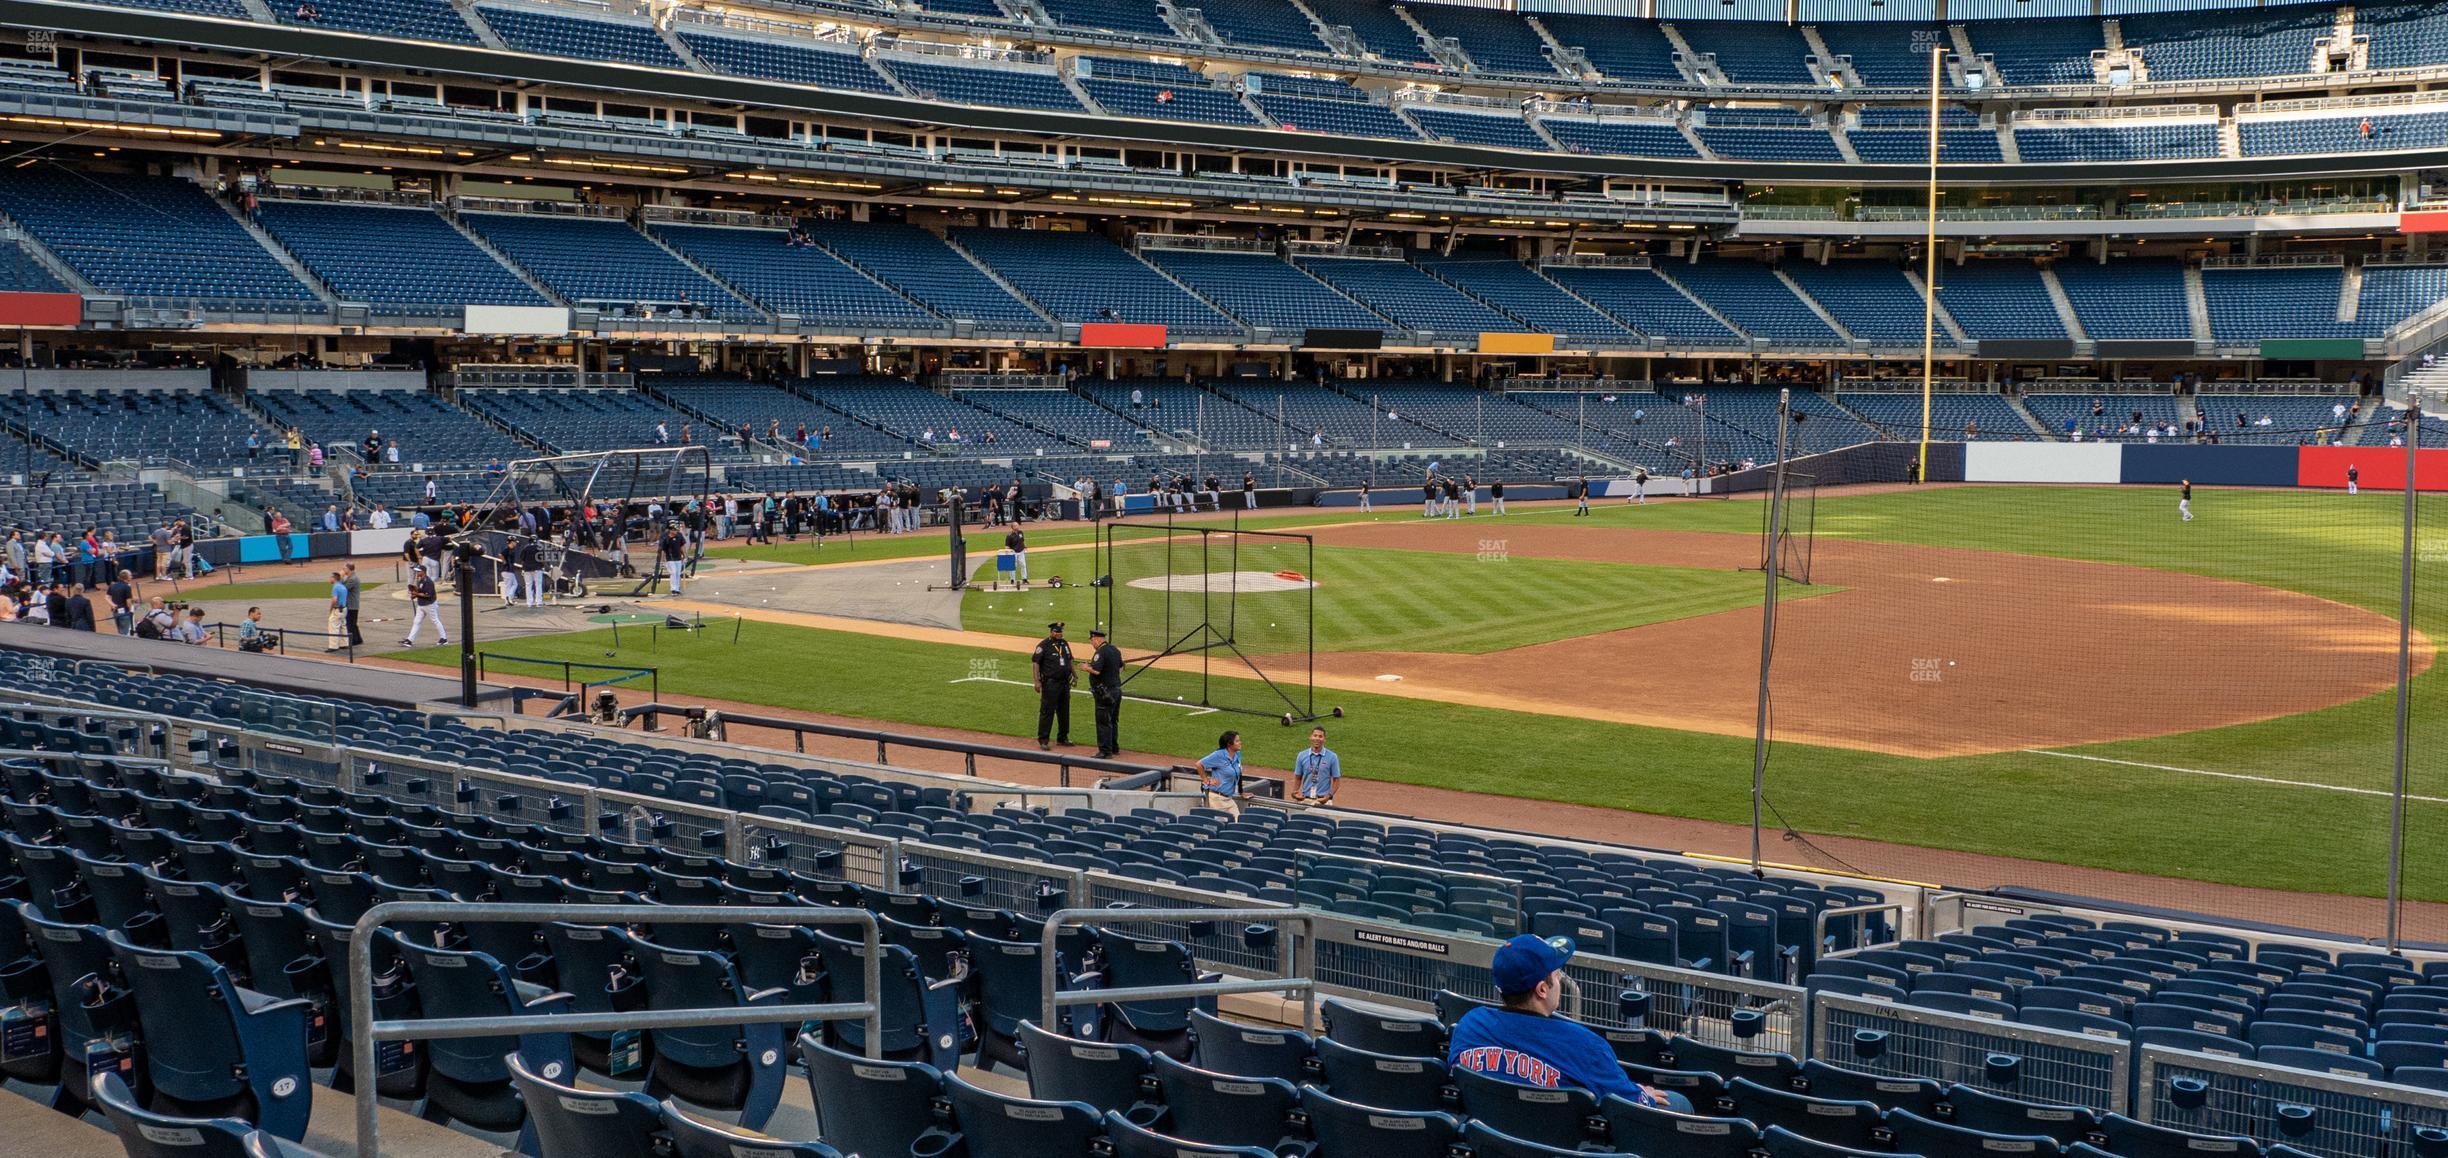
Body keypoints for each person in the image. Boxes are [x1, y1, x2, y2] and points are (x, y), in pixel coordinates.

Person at [1447, 935, 1688, 1112]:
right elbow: (1630, 1105)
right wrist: (1640, 1094)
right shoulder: (1585, 1045)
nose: (1560, 977)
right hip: (1560, 1145)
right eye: (1556, 973)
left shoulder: (1469, 1025)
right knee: (1680, 1104)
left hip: (1492, 1136)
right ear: (1542, 989)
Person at [1031, 621, 1074, 751]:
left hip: (1064, 683)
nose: (1059, 634)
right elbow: (1036, 663)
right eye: (1056, 632)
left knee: (1064, 711)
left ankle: (1062, 737)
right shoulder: (1044, 645)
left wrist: (1074, 675)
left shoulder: (1065, 644)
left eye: (1060, 632)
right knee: (1047, 712)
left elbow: (1070, 659)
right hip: (1050, 684)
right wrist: (1037, 681)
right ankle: (1043, 739)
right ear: (1051, 632)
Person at [1087, 626, 1123, 759]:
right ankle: (1114, 747)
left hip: (1105, 692)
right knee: (1113, 720)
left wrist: (1086, 668)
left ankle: (1105, 751)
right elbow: (1121, 667)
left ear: (1096, 639)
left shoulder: (1100, 652)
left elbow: (1096, 671)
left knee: (1103, 721)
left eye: (1091, 641)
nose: (1092, 644)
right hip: (1116, 690)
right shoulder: (1114, 650)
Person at [1198, 729, 1243, 817]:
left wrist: (1241, 791)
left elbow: (1239, 772)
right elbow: (1199, 764)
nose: (1240, 742)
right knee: (1219, 827)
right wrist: (1206, 780)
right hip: (1216, 800)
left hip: (1229, 799)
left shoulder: (1237, 754)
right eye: (1237, 741)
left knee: (1238, 824)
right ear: (1229, 744)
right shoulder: (1218, 755)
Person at [1292, 727, 1340, 806]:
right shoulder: (1301, 755)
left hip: (1323, 801)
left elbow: (1336, 780)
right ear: (1310, 737)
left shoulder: (1332, 757)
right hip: (1305, 800)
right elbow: (1298, 777)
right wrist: (1295, 792)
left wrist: (1329, 796)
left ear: (1324, 739)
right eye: (1315, 735)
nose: (1317, 738)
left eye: (1320, 736)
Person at [403, 565, 446, 645]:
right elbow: (421, 591)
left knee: (435, 620)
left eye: (418, 571)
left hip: (429, 605)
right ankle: (409, 640)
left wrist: (416, 593)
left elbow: (427, 595)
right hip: (421, 605)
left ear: (423, 571)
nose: (417, 572)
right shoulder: (421, 581)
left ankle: (444, 639)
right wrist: (414, 595)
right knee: (416, 622)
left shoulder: (428, 582)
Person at [658, 522, 687, 595]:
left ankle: (677, 589)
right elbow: (663, 550)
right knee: (673, 573)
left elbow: (682, 546)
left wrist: (685, 556)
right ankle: (673, 589)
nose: (675, 531)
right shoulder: (666, 539)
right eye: (674, 530)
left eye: (676, 530)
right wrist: (662, 561)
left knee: (677, 573)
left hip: (678, 558)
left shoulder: (679, 536)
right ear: (670, 530)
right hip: (670, 559)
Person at [341, 563, 364, 646]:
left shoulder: (353, 579)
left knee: (350, 623)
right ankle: (358, 639)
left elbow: (343, 588)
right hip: (352, 604)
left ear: (349, 569)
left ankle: (353, 640)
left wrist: (340, 578)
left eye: (344, 568)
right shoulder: (351, 578)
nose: (343, 570)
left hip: (351, 605)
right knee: (353, 623)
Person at [325, 571, 348, 651]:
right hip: (344, 609)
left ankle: (333, 646)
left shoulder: (335, 587)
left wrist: (331, 608)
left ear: (334, 578)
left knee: (333, 626)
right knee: (343, 626)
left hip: (338, 609)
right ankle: (344, 643)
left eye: (330, 578)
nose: (329, 579)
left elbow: (334, 600)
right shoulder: (343, 586)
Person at [107, 569, 134, 636]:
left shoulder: (113, 585)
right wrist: (130, 610)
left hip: (115, 612)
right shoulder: (127, 587)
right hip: (124, 613)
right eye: (130, 575)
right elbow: (128, 602)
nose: (131, 576)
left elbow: (107, 597)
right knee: (124, 634)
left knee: (119, 631)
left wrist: (112, 604)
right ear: (126, 577)